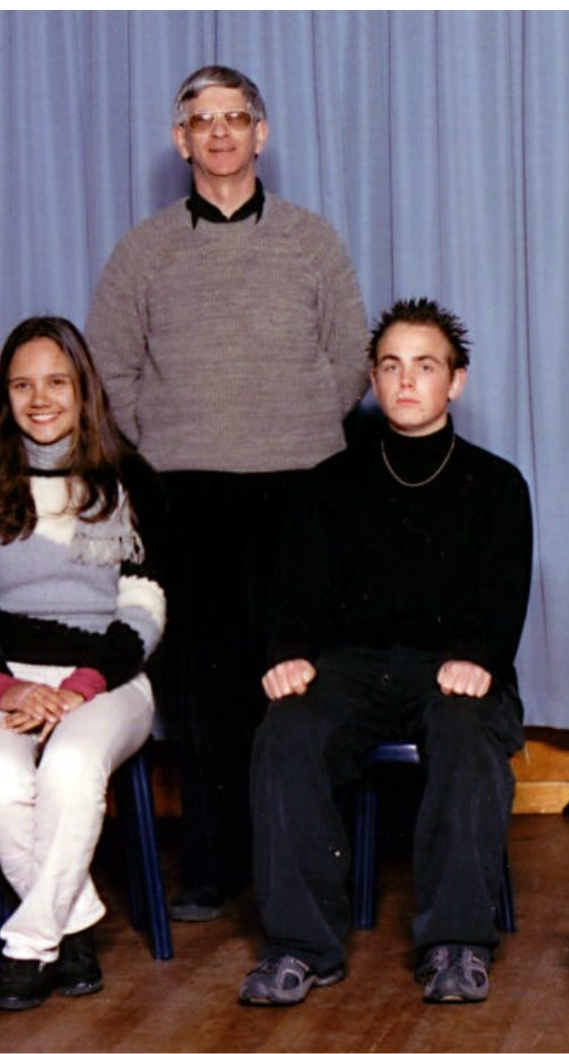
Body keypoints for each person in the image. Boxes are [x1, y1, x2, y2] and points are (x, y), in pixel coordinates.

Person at [86, 65, 369, 921]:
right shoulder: (144, 250)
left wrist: (294, 427)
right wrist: (168, 440)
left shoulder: (312, 241)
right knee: (201, 688)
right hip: (186, 495)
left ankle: (300, 860)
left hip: (300, 487)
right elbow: (110, 368)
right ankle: (211, 864)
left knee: (297, 676)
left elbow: (351, 357)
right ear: (181, 140)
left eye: (235, 117)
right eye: (202, 120)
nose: (219, 133)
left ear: (261, 133)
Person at [238, 298, 533, 1007]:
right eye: (392, 366)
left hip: (452, 666)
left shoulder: (496, 484)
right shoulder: (328, 483)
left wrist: (478, 658)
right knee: (286, 730)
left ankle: (456, 944)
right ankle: (301, 947)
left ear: (455, 382)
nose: (406, 380)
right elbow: (293, 593)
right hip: (353, 668)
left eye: (425, 366)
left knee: (464, 728)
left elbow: (502, 603)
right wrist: (288, 653)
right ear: (372, 379)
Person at [0, 316, 166, 1010]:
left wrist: (81, 686)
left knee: (70, 766)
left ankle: (27, 944)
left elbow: (146, 608)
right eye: (22, 386)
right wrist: (4, 687)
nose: (39, 400)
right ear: (5, 396)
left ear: (83, 389)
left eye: (56, 382)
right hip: (7, 679)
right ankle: (75, 925)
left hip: (109, 679)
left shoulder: (129, 481)